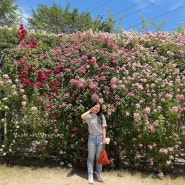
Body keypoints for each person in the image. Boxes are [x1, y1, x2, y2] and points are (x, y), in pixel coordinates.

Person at [81, 102, 107, 184]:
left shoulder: (101, 116)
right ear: (93, 107)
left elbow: (103, 128)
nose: (97, 109)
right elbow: (82, 117)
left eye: (98, 108)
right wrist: (90, 110)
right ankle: (90, 175)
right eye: (95, 107)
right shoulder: (89, 116)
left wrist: (104, 139)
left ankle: (98, 174)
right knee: (91, 157)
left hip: (100, 138)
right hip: (92, 138)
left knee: (99, 158)